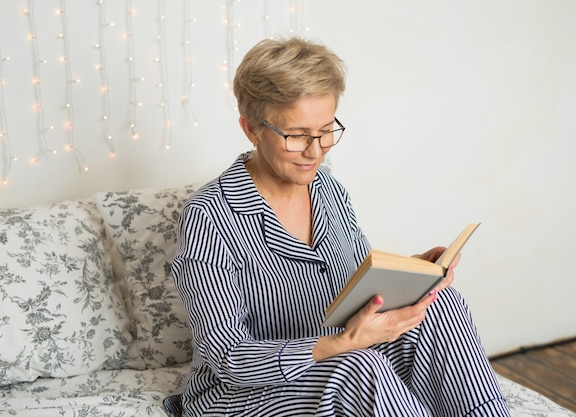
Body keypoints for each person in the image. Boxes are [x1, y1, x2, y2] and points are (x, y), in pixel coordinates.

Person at [164, 37, 510, 417]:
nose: (316, 151)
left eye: (326, 130)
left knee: (441, 304)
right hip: (241, 394)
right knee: (360, 369)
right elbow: (231, 358)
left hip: (338, 356)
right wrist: (341, 343)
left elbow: (356, 285)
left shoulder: (327, 188)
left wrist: (411, 275)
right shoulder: (209, 216)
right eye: (297, 136)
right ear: (251, 129)